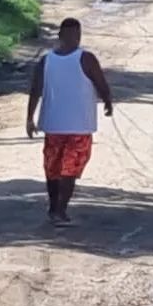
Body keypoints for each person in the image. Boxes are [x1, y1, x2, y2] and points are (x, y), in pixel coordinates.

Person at [27, 18, 113, 227]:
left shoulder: (47, 61)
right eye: (74, 35)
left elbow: (35, 90)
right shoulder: (86, 59)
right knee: (68, 169)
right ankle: (59, 209)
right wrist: (108, 101)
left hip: (54, 124)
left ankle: (54, 208)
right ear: (63, 36)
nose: (76, 39)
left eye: (77, 35)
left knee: (53, 168)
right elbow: (100, 83)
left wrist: (30, 117)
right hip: (78, 125)